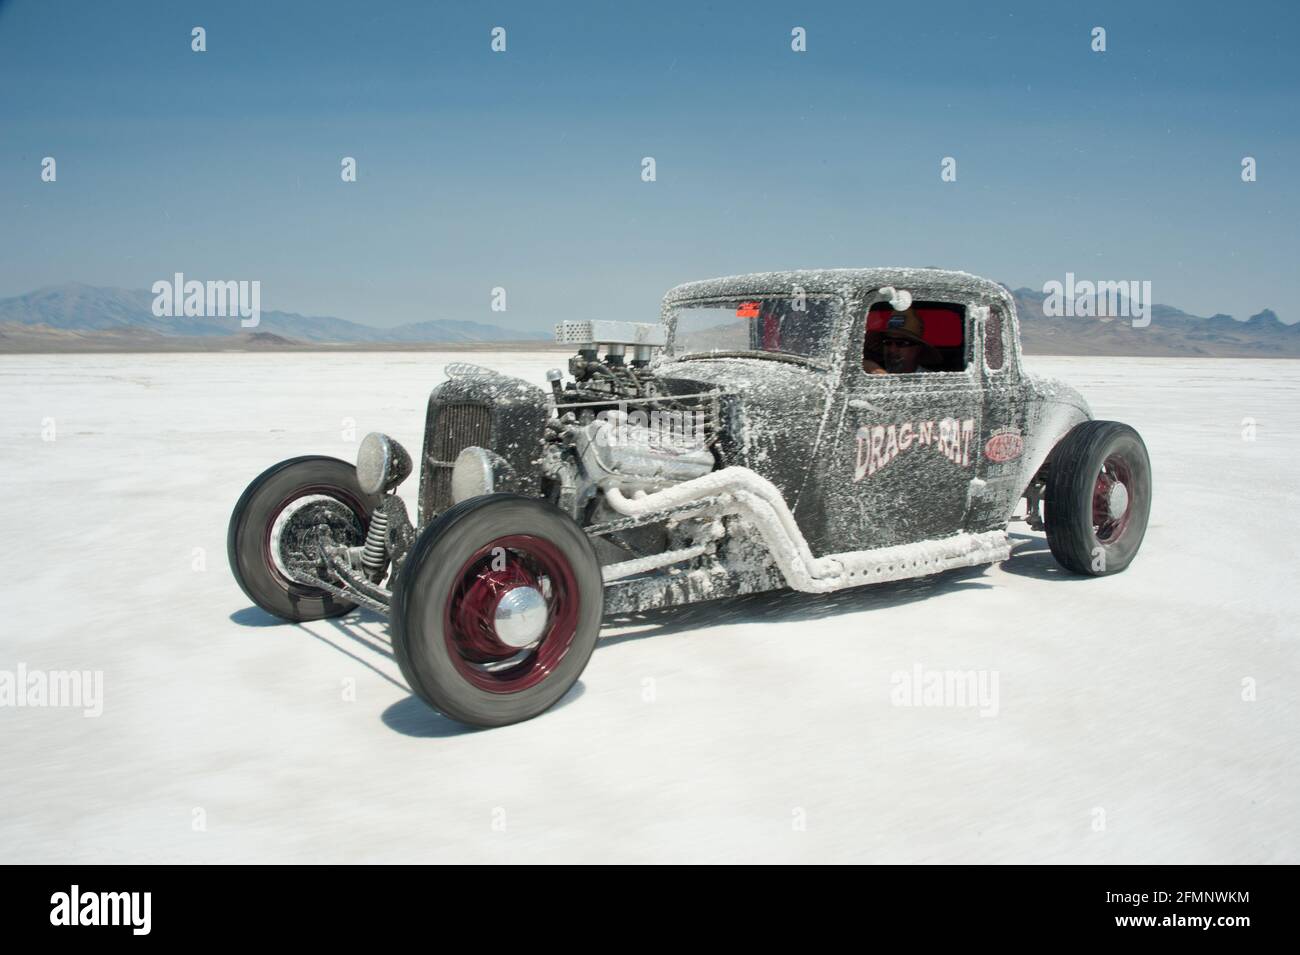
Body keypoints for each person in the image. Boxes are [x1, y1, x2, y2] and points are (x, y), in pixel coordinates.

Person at [863, 308, 942, 374]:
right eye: (887, 342)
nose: (892, 349)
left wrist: (880, 377)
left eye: (901, 343)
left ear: (918, 349)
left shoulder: (930, 381)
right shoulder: (869, 376)